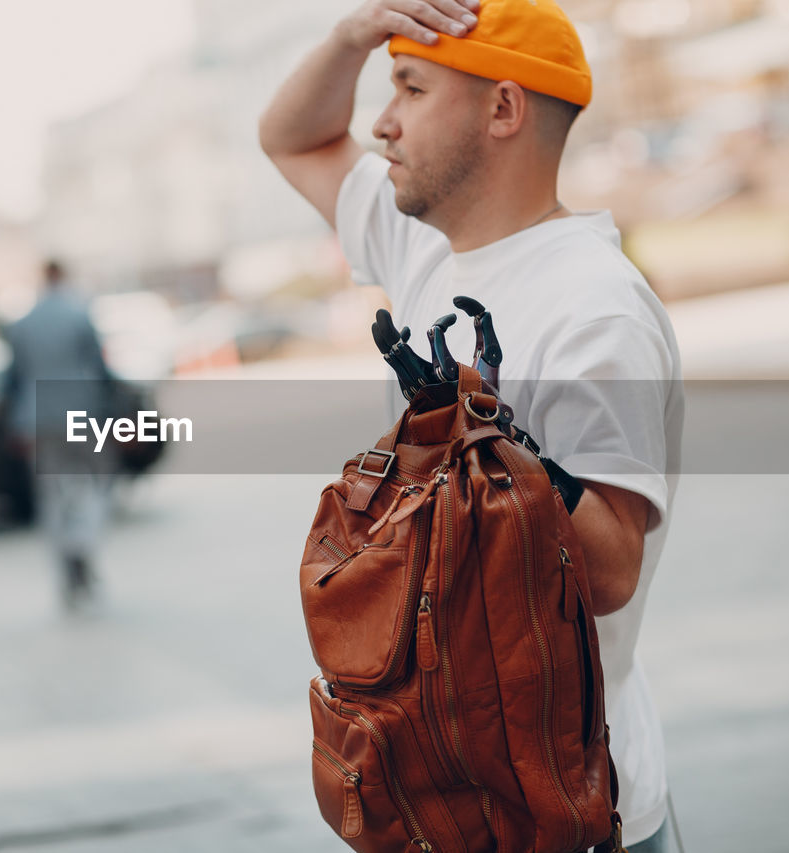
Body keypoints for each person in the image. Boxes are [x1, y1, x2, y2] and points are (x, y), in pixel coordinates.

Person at [259, 1, 683, 849]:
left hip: (571, 809)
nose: (380, 123)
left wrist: (479, 428)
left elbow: (607, 570)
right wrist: (355, 35)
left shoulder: (595, 309)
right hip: (442, 798)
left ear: (502, 108)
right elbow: (292, 138)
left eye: (411, 88)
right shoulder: (425, 246)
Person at [1, 260, 115, 611]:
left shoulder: (23, 323)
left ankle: (65, 561)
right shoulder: (79, 315)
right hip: (82, 412)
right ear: (63, 276)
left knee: (51, 496)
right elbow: (100, 369)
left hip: (37, 419)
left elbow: (13, 379)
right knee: (91, 486)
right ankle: (81, 544)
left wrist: (12, 426)